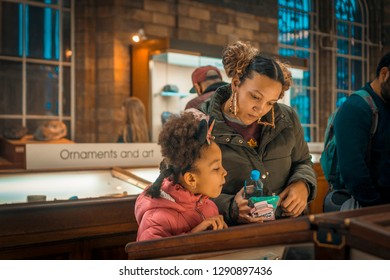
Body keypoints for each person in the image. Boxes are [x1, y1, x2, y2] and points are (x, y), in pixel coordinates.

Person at [197, 41, 317, 225]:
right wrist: (230, 206)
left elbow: (302, 161)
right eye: (255, 97)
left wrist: (303, 184)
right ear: (236, 83)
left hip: (287, 225)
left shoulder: (287, 117)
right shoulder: (199, 122)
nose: (261, 109)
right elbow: (183, 187)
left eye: (271, 102)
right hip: (233, 232)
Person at [135, 112, 228, 241]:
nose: (224, 172)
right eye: (216, 168)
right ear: (191, 179)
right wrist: (193, 236)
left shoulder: (209, 206)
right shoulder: (156, 218)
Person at [333, 53, 390, 207]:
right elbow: (353, 169)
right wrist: (375, 208)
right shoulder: (357, 107)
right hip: (367, 208)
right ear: (384, 74)